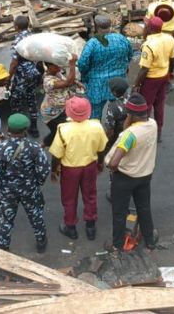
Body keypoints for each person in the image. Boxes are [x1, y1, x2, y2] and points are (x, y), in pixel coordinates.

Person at [0, 113, 52, 252]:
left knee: (6, 220)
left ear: (8, 129)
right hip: (30, 190)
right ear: (25, 129)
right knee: (36, 216)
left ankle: (3, 246)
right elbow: (44, 169)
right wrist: (37, 183)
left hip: (7, 192)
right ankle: (41, 243)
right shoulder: (35, 148)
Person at [49, 97, 108, 241]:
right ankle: (90, 227)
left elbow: (57, 154)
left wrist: (53, 170)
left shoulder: (63, 129)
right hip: (89, 166)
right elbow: (101, 149)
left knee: (69, 198)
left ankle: (71, 228)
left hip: (70, 169)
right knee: (90, 195)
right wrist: (100, 163)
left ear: (69, 112)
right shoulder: (96, 126)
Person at [106, 93, 159, 252]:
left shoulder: (129, 135)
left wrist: (114, 170)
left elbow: (114, 162)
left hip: (125, 177)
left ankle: (117, 245)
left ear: (131, 115)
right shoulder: (153, 124)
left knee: (119, 212)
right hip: (144, 175)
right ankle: (150, 242)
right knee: (144, 208)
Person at [78, 14, 133, 120]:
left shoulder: (92, 44)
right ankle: (118, 127)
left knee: (95, 114)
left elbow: (82, 64)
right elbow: (130, 55)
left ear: (96, 27)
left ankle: (96, 129)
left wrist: (85, 77)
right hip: (118, 82)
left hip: (97, 84)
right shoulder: (121, 39)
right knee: (120, 109)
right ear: (110, 25)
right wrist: (122, 68)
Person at [133, 16, 174, 141]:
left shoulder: (148, 45)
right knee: (159, 104)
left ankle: (145, 133)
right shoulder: (169, 38)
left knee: (146, 106)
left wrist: (136, 85)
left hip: (151, 79)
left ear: (149, 28)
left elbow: (144, 69)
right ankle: (158, 132)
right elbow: (173, 60)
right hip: (164, 76)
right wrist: (170, 73)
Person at [8, 15, 42, 137]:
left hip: (21, 76)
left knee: (16, 101)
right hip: (34, 72)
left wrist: (8, 78)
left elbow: (14, 63)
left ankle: (19, 129)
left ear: (16, 27)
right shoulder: (32, 37)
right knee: (31, 98)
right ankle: (34, 128)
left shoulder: (18, 41)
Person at [40, 54, 84, 147]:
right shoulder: (48, 81)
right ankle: (45, 146)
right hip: (52, 113)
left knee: (58, 131)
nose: (59, 66)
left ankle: (43, 145)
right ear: (49, 66)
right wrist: (72, 64)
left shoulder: (56, 73)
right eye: (56, 65)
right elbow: (68, 82)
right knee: (59, 132)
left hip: (61, 108)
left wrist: (76, 82)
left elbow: (67, 80)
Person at [102, 77, 129, 151]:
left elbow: (110, 131)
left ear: (114, 93)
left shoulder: (113, 107)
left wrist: (106, 144)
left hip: (119, 137)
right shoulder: (131, 98)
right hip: (132, 132)